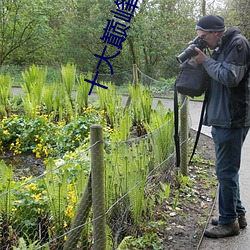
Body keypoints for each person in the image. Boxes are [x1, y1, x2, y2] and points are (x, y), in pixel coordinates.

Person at [192, 15, 250, 238]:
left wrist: (205, 61)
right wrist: (202, 60)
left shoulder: (238, 44)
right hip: (222, 117)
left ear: (216, 32)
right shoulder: (221, 46)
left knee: (225, 171)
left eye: (204, 37)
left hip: (232, 118)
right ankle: (237, 214)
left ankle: (228, 223)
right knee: (227, 171)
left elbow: (229, 77)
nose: (203, 41)